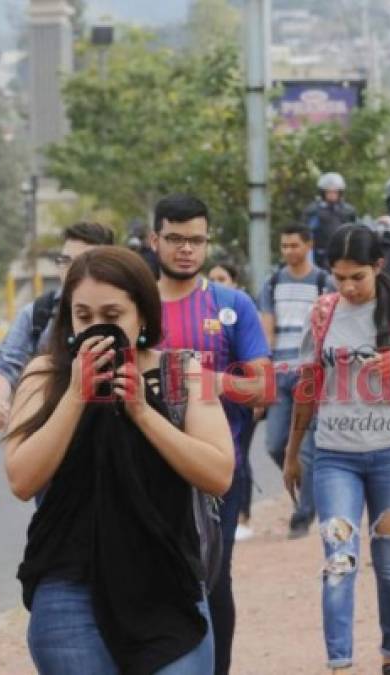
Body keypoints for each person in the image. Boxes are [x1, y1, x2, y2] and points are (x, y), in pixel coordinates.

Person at [3, 247, 235, 675]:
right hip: (69, 584)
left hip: (168, 584)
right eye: (84, 315)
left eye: (112, 313)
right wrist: (75, 396)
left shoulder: (183, 374)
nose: (98, 327)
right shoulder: (45, 375)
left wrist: (143, 412)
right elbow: (21, 479)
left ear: (142, 316)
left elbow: (218, 474)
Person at [283, 224, 390, 675]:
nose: (348, 287)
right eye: (339, 277)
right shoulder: (322, 314)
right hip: (335, 457)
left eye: (358, 277)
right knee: (339, 561)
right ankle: (340, 666)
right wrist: (294, 453)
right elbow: (308, 387)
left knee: (389, 563)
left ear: (377, 267)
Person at [149, 194, 271, 675]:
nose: (185, 249)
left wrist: (205, 380)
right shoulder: (135, 303)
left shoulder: (231, 304)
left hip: (218, 471)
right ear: (154, 239)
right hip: (146, 467)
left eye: (195, 240)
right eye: (175, 239)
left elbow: (262, 386)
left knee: (213, 582)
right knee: (148, 580)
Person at [0, 222, 116, 431]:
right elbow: (5, 365)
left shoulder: (127, 313)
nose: (71, 269)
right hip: (46, 435)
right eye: (65, 261)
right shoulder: (37, 314)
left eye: (82, 261)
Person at [257, 224, 333, 539]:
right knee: (275, 444)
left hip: (312, 374)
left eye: (294, 245)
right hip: (281, 373)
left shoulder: (323, 282)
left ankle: (303, 515)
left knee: (308, 449)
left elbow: (329, 327)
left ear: (308, 245)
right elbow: (266, 328)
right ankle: (310, 493)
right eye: (284, 246)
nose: (289, 251)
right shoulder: (272, 283)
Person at [205, 257, 259, 542]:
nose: (215, 283)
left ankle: (242, 516)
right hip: (200, 408)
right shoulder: (197, 310)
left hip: (235, 405)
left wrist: (228, 385)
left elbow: (258, 370)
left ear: (234, 281)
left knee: (239, 459)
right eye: (212, 277)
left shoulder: (240, 309)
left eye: (222, 278)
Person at [302, 173, 358, 271]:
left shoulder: (348, 211)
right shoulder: (313, 210)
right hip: (319, 254)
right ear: (323, 193)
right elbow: (306, 232)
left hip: (342, 254)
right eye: (329, 192)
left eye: (335, 192)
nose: (332, 195)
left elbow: (355, 232)